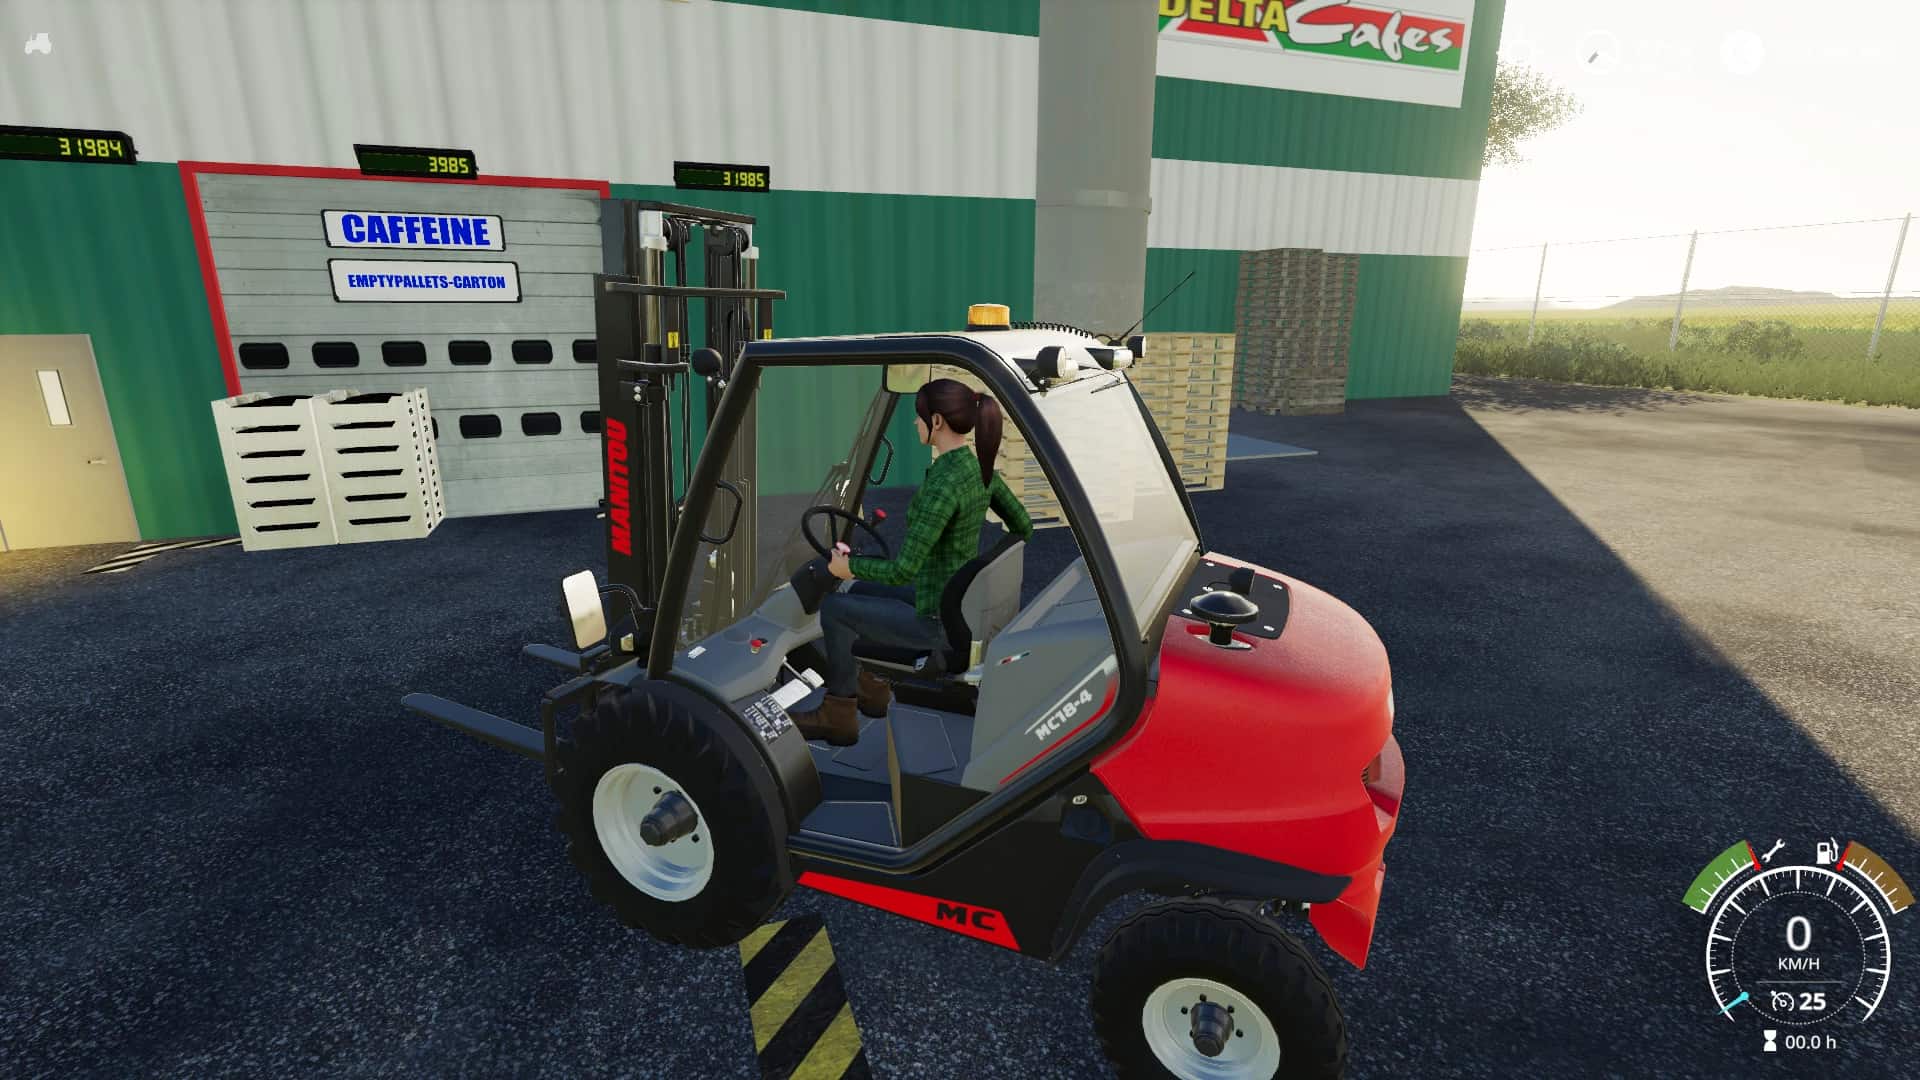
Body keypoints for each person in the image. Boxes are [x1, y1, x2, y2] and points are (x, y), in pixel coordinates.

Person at [792, 379, 1033, 745]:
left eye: (919, 416)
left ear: (937, 421)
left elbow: (903, 569)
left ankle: (838, 716)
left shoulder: (943, 485)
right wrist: (976, 569)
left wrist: (846, 567)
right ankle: (873, 692)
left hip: (936, 620)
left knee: (836, 608)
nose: (915, 423)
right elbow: (1023, 526)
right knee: (855, 590)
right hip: (948, 597)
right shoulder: (976, 469)